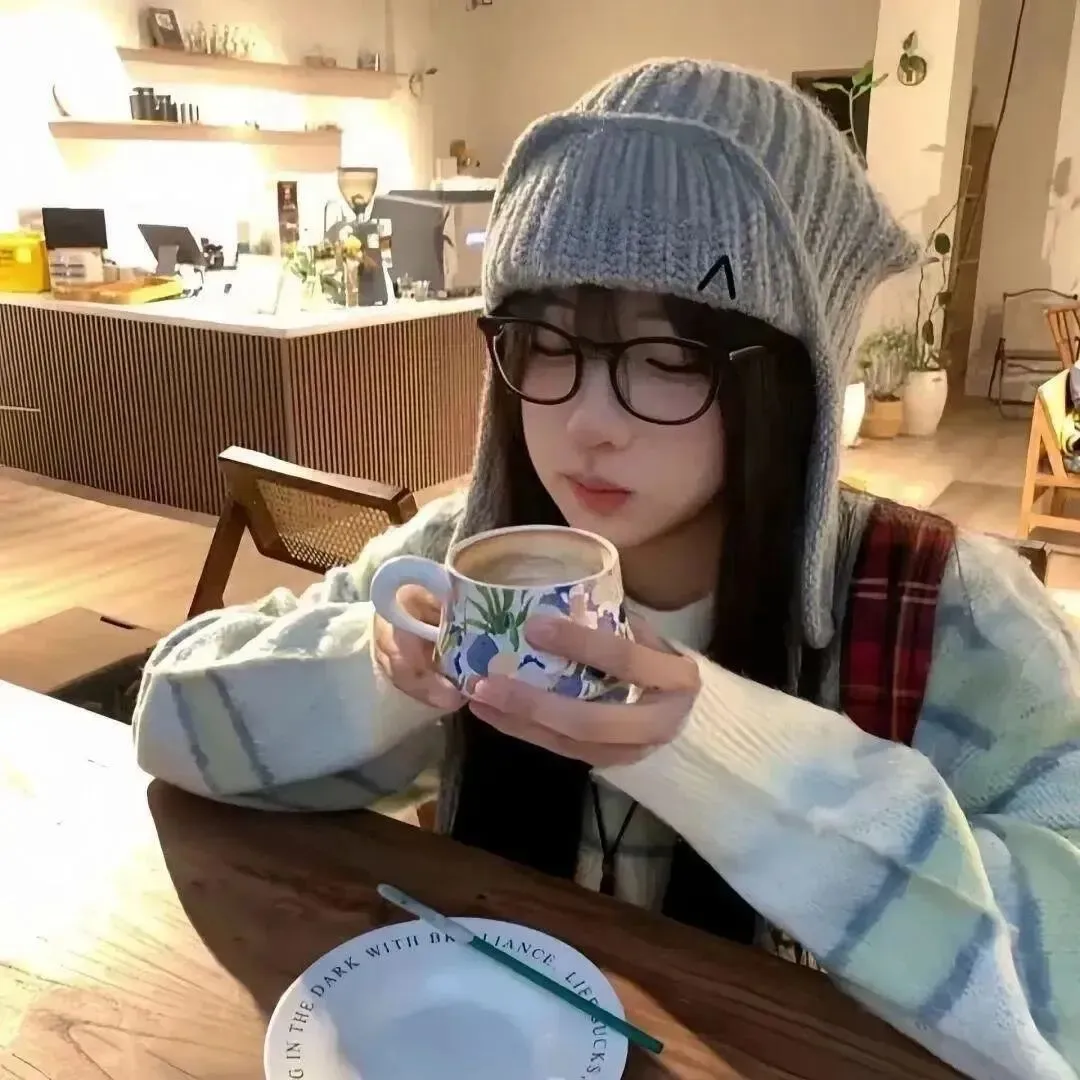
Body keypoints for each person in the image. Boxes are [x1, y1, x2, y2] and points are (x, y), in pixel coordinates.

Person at [133, 59, 1079, 1080]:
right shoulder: (468, 561)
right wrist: (376, 676)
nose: (587, 423)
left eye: (670, 359)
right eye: (546, 343)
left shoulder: (946, 612)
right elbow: (169, 721)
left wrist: (722, 750)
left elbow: (1062, 991)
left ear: (791, 382)